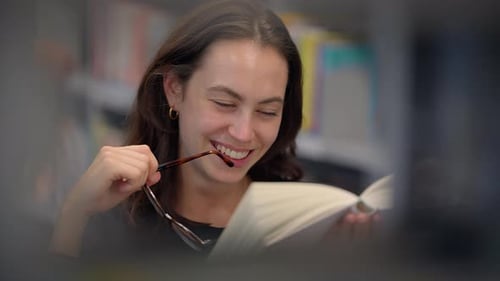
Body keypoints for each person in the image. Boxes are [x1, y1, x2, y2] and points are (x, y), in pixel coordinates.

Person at [49, 0, 376, 262]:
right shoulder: (114, 215)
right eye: (224, 102)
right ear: (175, 89)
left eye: (267, 111)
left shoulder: (305, 222)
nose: (244, 132)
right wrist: (74, 214)